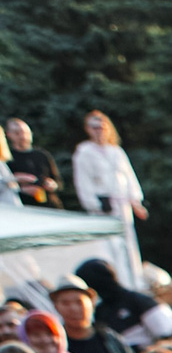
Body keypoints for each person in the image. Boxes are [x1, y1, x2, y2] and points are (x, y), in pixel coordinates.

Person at [71, 109, 147, 282]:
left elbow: (128, 177)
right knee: (109, 245)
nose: (98, 131)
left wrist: (136, 201)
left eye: (101, 127)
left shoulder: (116, 151)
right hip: (102, 205)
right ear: (88, 129)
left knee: (128, 244)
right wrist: (94, 204)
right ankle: (116, 281)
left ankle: (135, 281)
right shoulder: (84, 152)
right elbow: (82, 181)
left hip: (122, 204)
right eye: (94, 128)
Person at [6, 117, 61, 206]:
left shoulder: (43, 155)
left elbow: (58, 182)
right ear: (9, 135)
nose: (22, 136)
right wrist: (21, 189)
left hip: (49, 204)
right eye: (17, 133)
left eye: (25, 132)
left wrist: (52, 185)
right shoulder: (7, 158)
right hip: (22, 206)